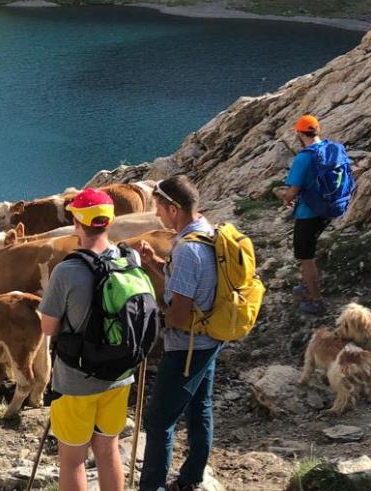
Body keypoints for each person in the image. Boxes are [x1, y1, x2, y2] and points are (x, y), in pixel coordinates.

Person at [39, 188, 135, 491]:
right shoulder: (129, 259)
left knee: (72, 459)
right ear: (109, 222)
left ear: (78, 224)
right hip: (120, 374)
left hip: (76, 379)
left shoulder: (67, 271)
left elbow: (48, 328)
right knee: (108, 450)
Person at [136, 175, 221, 491]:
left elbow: (180, 314)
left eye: (158, 207)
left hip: (187, 347)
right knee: (200, 406)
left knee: (158, 420)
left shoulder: (186, 251)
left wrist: (154, 321)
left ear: (173, 208)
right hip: (210, 337)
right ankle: (191, 477)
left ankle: (153, 487)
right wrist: (155, 263)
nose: (156, 214)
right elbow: (188, 283)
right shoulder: (206, 232)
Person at [282, 114, 331, 315]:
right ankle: (305, 285)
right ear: (317, 130)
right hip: (326, 210)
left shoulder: (304, 157)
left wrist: (286, 199)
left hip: (308, 213)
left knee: (306, 257)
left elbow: (293, 190)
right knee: (308, 250)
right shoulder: (329, 148)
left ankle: (316, 301)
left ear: (300, 133)